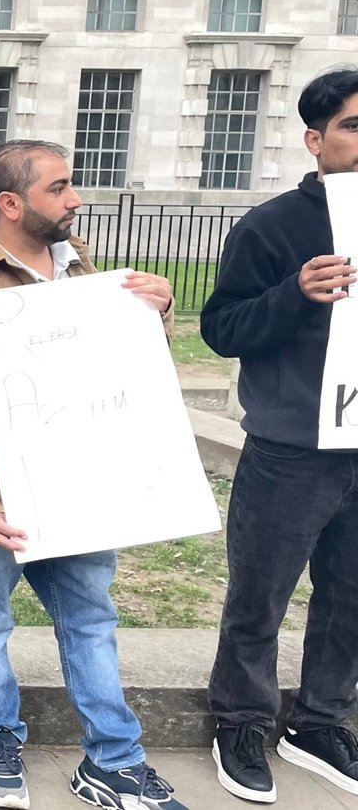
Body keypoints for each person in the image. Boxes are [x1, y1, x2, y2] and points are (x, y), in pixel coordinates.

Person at [0, 139, 187, 810]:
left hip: (84, 492)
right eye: (60, 188)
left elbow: (126, 369)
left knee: (90, 621)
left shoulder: (85, 271)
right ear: (11, 204)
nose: (76, 199)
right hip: (4, 503)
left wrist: (159, 311)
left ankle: (115, 761)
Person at [202, 66, 358, 804]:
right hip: (291, 448)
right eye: (354, 128)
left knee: (352, 594)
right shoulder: (271, 225)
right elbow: (221, 328)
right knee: (260, 594)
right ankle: (241, 718)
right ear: (315, 139)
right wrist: (293, 294)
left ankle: (320, 720)